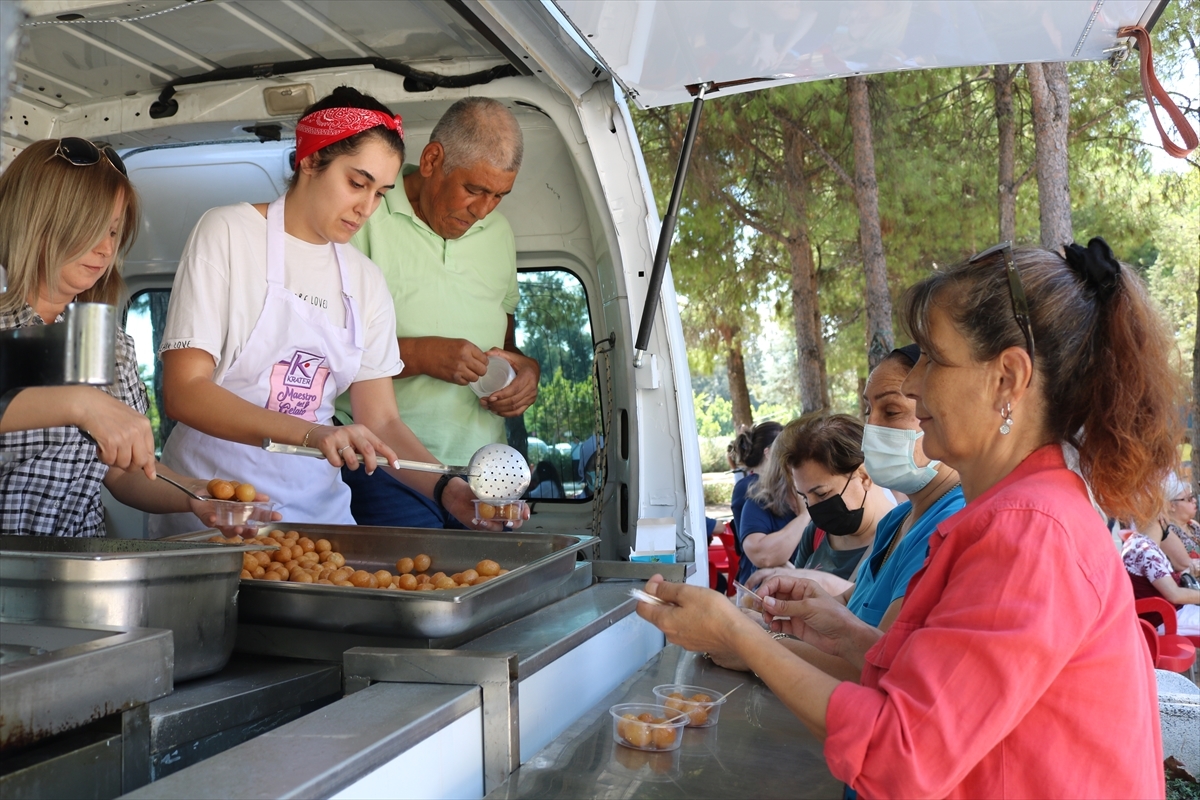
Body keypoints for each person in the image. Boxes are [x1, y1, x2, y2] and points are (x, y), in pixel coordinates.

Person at [636, 238, 1174, 798]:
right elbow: (947, 692)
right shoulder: (1018, 514)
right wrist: (846, 633)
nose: (915, 388)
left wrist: (736, 634)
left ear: (1007, 379)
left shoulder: (1031, 531)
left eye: (934, 360)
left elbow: (901, 752)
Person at [151, 88, 496, 535]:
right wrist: (313, 434)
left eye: (380, 193)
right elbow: (186, 391)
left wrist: (448, 488)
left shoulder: (365, 279)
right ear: (310, 160)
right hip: (216, 513)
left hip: (318, 522)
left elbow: (383, 422)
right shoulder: (229, 232)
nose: (366, 208)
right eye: (357, 183)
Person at [0, 139, 243, 535]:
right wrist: (78, 403)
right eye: (90, 229)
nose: (104, 248)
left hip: (79, 571)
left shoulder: (109, 344)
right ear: (34, 222)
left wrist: (194, 493)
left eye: (113, 231)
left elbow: (122, 472)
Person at [336, 97, 539, 528]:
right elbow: (326, 347)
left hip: (484, 470)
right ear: (431, 160)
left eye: (499, 195)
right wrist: (423, 355)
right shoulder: (362, 219)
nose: (483, 211)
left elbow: (504, 341)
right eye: (474, 190)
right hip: (382, 462)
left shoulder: (499, 233)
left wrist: (523, 373)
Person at [722, 346, 965, 683]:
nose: (872, 427)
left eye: (891, 410)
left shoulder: (950, 525)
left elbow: (879, 666)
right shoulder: (899, 520)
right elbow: (850, 609)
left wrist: (751, 644)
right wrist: (783, 612)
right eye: (868, 410)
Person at [750, 414, 893, 588]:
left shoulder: (902, 541)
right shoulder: (816, 534)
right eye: (804, 497)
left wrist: (821, 584)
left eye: (822, 494)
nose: (813, 508)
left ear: (864, 477)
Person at [1122, 527, 1200, 635]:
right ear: (1161, 517)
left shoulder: (1137, 541)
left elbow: (1165, 582)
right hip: (1166, 618)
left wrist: (1187, 573)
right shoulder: (1146, 550)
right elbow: (1174, 595)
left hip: (1167, 614)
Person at [1161, 471, 1200, 561]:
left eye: (1193, 497)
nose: (1194, 500)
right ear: (1171, 506)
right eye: (1189, 499)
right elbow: (1186, 564)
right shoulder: (1168, 531)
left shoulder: (1193, 525)